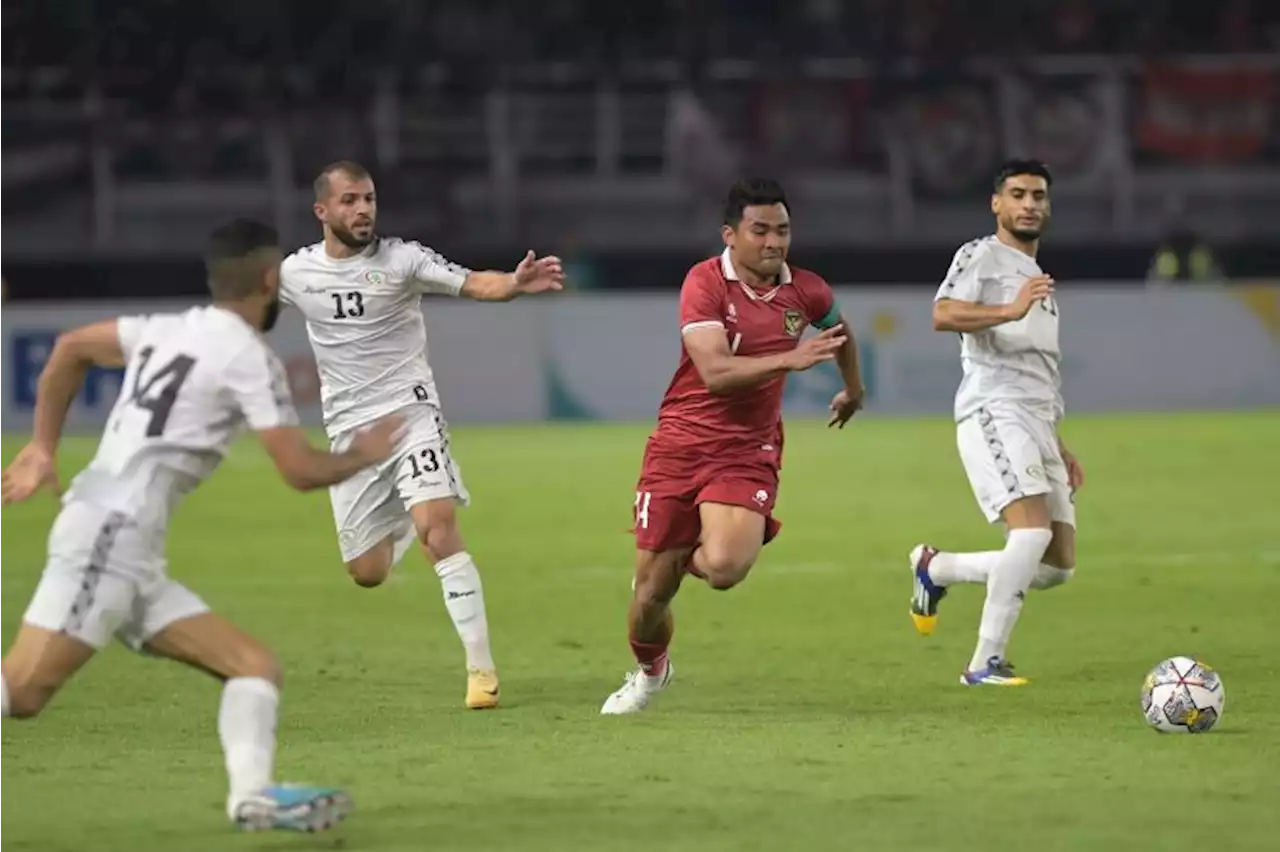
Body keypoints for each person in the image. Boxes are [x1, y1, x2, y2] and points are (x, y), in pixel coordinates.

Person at [0, 219, 404, 832]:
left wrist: (43, 446)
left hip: (127, 548)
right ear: (271, 281)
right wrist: (364, 453)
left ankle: (253, 797)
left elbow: (70, 347)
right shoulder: (249, 358)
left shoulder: (168, 329)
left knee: (253, 667)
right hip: (110, 536)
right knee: (22, 692)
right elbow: (297, 470)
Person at [279, 160, 564, 710]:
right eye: (349, 201)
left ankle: (481, 670)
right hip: (351, 437)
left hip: (411, 416)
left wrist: (512, 283)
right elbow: (251, 304)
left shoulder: (404, 260)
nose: (363, 209)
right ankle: (405, 522)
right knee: (368, 572)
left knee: (439, 528)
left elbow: (474, 282)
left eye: (369, 199)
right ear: (322, 211)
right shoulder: (297, 274)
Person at [601, 178, 865, 715]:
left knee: (723, 566)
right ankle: (653, 672)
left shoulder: (806, 290)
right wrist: (788, 360)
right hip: (680, 442)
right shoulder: (705, 283)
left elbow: (842, 332)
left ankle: (687, 552)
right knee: (649, 599)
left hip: (748, 447)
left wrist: (854, 390)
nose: (774, 242)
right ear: (731, 234)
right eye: (761, 230)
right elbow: (716, 372)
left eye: (783, 230)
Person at [911, 159, 1084, 686]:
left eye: (1038, 196)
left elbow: (1039, 368)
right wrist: (1007, 311)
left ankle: (935, 569)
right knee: (1028, 534)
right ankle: (983, 663)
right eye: (1018, 194)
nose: (1029, 204)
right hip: (995, 409)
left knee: (1055, 566)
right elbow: (942, 314)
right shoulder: (982, 255)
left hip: (1036, 419)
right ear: (997, 204)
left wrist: (1058, 442)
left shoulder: (1036, 280)